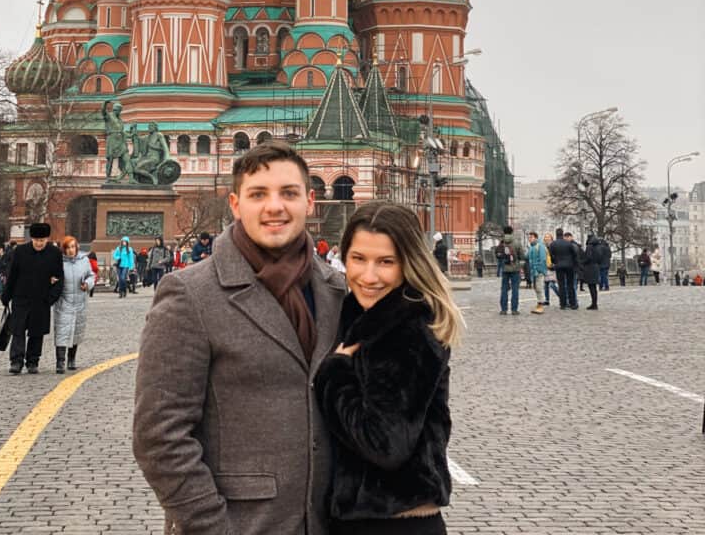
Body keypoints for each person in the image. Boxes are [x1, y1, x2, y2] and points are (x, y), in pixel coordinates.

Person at [133, 140, 347, 535]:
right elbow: (159, 436)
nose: (275, 207)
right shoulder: (190, 293)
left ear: (310, 201)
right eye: (258, 194)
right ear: (235, 204)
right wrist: (212, 527)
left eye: (288, 193)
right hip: (242, 524)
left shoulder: (337, 292)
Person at [314, 200, 462, 534]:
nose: (368, 276)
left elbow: (385, 443)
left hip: (393, 522)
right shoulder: (362, 315)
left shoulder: (408, 326)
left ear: (408, 264)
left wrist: (333, 376)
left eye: (386, 262)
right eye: (358, 259)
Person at [2, 222, 63, 374]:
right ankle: (16, 361)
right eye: (36, 240)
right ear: (32, 239)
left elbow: (59, 277)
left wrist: (51, 298)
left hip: (42, 299)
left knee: (37, 332)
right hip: (21, 297)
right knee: (18, 330)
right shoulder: (21, 251)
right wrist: (6, 295)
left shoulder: (54, 253)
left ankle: (33, 361)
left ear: (47, 239)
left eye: (42, 241)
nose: (39, 243)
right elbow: (12, 275)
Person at [53, 236, 95, 373]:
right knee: (62, 331)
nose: (71, 250)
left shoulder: (84, 260)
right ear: (64, 249)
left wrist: (87, 284)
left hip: (79, 300)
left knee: (76, 329)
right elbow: (52, 276)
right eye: (68, 247)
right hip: (64, 300)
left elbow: (91, 275)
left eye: (73, 247)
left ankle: (72, 359)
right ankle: (60, 361)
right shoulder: (58, 262)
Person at [549, 228, 578, 310]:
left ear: (556, 234)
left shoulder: (553, 244)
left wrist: (555, 262)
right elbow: (574, 254)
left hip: (559, 266)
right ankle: (573, 303)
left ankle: (563, 304)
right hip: (569, 265)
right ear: (562, 234)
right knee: (570, 285)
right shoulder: (568, 243)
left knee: (561, 285)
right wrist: (573, 263)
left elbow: (551, 255)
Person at [499, 224, 525, 315]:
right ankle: (514, 309)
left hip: (505, 269)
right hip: (515, 269)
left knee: (504, 289)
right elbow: (522, 256)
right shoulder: (517, 242)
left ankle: (503, 309)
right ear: (512, 232)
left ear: (504, 232)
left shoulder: (501, 242)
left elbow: (498, 255)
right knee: (515, 289)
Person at [527, 232, 548, 314]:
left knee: (539, 287)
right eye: (529, 237)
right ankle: (539, 304)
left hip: (539, 270)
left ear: (536, 238)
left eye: (531, 237)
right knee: (536, 288)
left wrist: (538, 269)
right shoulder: (531, 247)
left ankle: (541, 305)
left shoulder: (540, 246)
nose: (530, 239)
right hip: (533, 271)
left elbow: (542, 259)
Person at [582, 234, 601, 310]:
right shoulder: (598, 246)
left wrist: (583, 262)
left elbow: (588, 257)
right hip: (596, 267)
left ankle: (594, 304)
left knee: (591, 287)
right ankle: (594, 303)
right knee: (594, 287)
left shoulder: (589, 246)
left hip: (590, 267)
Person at [542, 232, 558, 306]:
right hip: (545, 267)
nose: (547, 238)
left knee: (552, 284)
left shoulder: (554, 245)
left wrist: (554, 264)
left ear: (551, 238)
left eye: (548, 237)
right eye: (545, 237)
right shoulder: (543, 246)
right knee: (546, 284)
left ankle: (561, 296)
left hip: (552, 267)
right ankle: (547, 299)